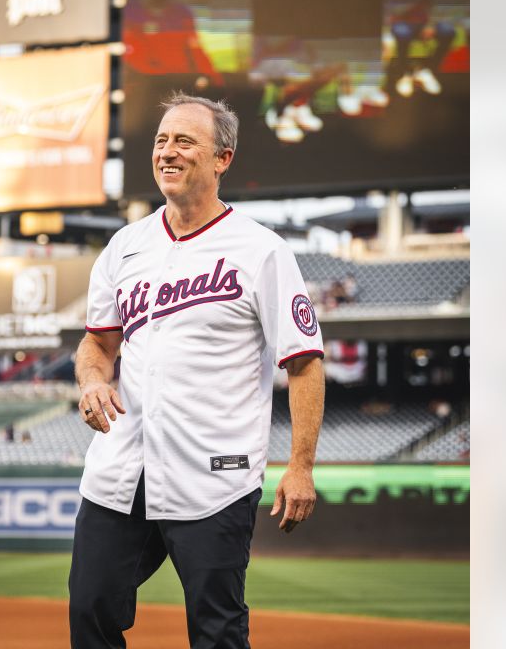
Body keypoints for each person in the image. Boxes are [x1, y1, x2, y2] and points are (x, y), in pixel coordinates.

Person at [69, 93, 326, 649]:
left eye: (185, 140)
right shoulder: (124, 246)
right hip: (121, 472)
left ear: (222, 159)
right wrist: (92, 379)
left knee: (216, 630)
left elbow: (304, 363)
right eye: (161, 140)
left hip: (212, 473)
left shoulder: (261, 250)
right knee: (90, 610)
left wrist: (300, 465)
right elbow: (97, 344)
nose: (168, 151)